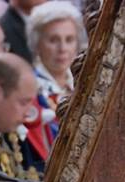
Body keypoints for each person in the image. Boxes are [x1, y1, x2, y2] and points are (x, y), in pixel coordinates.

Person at [24, 1, 86, 162]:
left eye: (69, 39)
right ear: (37, 44)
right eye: (53, 40)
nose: (63, 48)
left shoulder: (86, 80)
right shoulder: (27, 88)